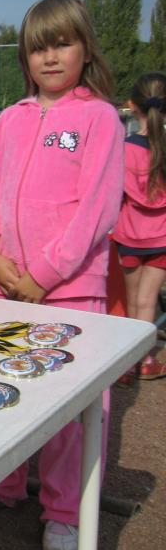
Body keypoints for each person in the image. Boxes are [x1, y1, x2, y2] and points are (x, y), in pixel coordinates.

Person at [0, 0, 124, 550]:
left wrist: (45, 273)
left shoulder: (100, 118)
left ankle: (65, 511)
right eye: (39, 48)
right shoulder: (11, 119)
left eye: (63, 44)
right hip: (5, 289)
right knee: (5, 393)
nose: (51, 57)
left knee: (68, 411)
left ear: (86, 49)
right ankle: (5, 484)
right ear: (25, 58)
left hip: (69, 293)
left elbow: (98, 211)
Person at [111, 72, 166, 380]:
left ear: (132, 106)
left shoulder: (123, 148)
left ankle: (128, 364)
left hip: (130, 235)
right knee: (148, 301)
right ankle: (146, 361)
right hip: (162, 238)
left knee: (132, 301)